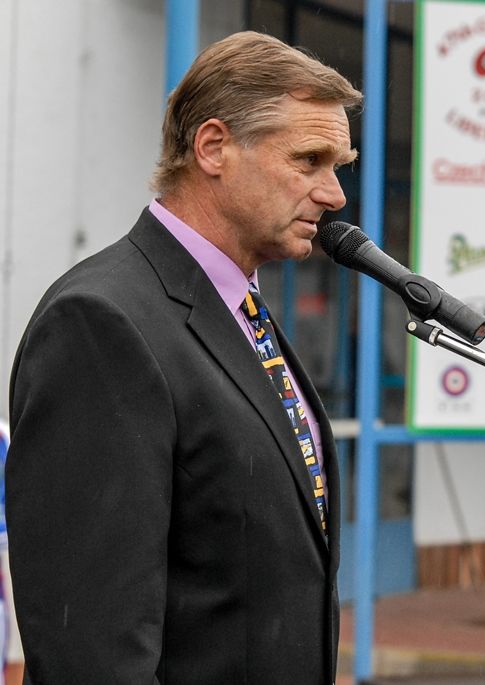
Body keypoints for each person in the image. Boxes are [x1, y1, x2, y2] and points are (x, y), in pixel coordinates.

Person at [6, 31, 361, 684]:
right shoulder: (100, 323)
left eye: (338, 164)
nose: (334, 193)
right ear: (214, 147)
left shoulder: (240, 311)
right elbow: (91, 645)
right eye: (309, 159)